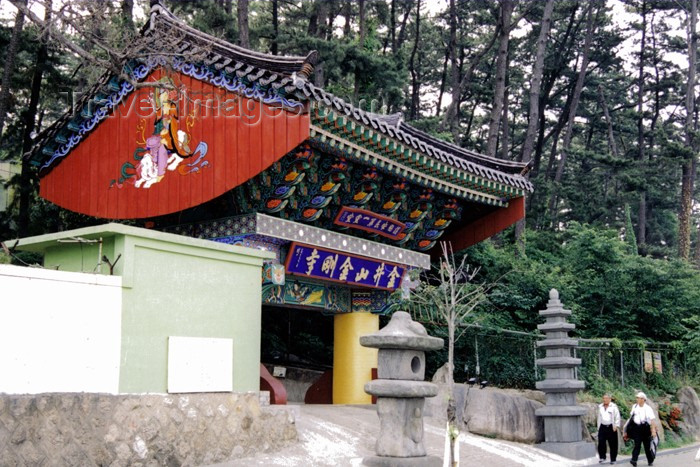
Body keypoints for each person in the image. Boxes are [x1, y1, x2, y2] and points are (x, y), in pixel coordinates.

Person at [623, 392, 657, 467]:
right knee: (637, 444)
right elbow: (631, 417)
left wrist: (653, 431)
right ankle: (634, 460)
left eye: (638, 398)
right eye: (637, 398)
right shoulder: (634, 406)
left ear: (643, 399)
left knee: (647, 446)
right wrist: (625, 429)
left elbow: (652, 420)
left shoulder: (648, 408)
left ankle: (650, 460)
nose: (637, 399)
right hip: (637, 428)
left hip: (645, 428)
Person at [597, 394, 621, 464]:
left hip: (611, 426)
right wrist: (598, 427)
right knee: (601, 442)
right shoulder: (600, 407)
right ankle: (602, 457)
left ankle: (613, 459)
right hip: (602, 426)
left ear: (610, 399)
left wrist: (616, 426)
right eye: (604, 398)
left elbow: (617, 417)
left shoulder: (613, 407)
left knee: (613, 444)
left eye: (607, 398)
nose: (605, 400)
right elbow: (599, 417)